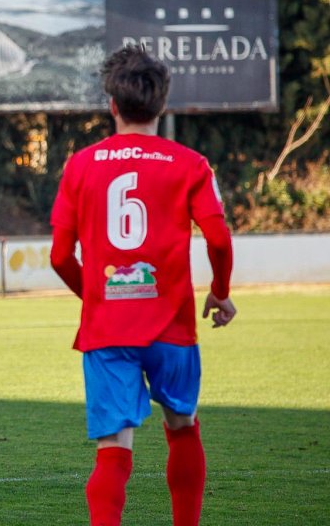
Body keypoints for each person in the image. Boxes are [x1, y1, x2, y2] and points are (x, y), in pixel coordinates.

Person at [49, 45, 235, 526]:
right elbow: (218, 236)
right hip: (172, 325)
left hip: (108, 328)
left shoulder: (81, 165)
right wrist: (220, 289)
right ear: (162, 104)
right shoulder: (191, 163)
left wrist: (94, 295)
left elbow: (58, 256)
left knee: (113, 452)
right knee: (183, 428)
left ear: (112, 105)